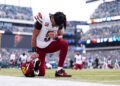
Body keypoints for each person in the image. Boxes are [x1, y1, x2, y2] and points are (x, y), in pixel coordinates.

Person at [30, 11, 71, 77]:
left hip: (49, 45)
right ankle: (32, 64)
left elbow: (60, 37)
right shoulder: (43, 18)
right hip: (39, 47)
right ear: (52, 18)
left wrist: (55, 37)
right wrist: (34, 52)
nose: (55, 26)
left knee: (64, 43)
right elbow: (34, 36)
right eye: (55, 24)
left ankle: (59, 70)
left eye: (57, 25)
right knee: (41, 73)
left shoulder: (59, 23)